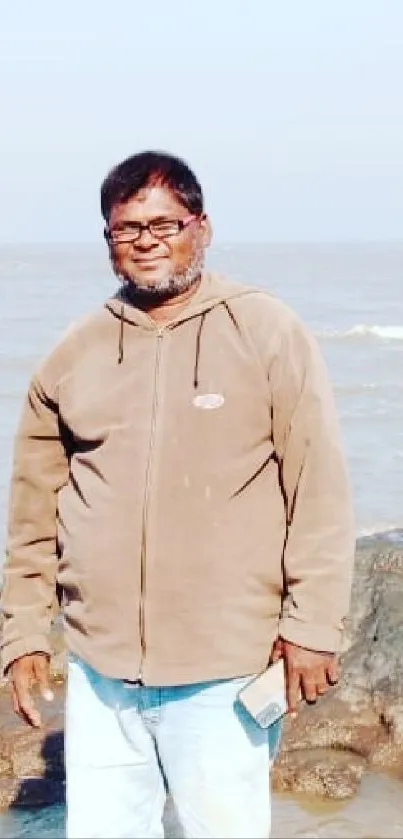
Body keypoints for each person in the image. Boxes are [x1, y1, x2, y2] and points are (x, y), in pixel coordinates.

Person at [1, 150, 355, 839]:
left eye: (163, 224)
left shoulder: (265, 331)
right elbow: (31, 512)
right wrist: (20, 637)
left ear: (202, 226)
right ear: (108, 241)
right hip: (102, 670)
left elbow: (317, 486)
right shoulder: (75, 353)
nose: (146, 241)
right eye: (126, 228)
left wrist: (312, 628)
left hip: (224, 666)